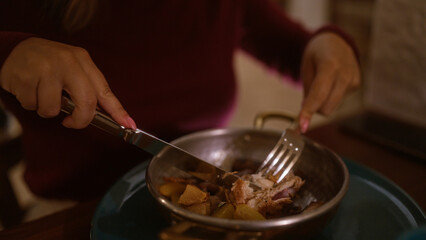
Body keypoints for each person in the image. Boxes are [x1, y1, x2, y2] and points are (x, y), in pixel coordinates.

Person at [0, 0, 360, 200]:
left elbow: (294, 48)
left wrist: (326, 43)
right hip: (71, 210)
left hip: (203, 191)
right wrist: (8, 52)